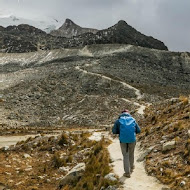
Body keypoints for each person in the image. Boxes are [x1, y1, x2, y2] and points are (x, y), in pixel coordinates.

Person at [112, 109, 141, 178]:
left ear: (122, 113)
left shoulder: (118, 121)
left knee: (125, 155)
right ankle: (132, 167)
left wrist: (120, 132)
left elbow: (114, 131)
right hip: (132, 139)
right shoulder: (133, 119)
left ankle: (127, 173)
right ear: (128, 113)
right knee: (131, 153)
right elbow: (138, 130)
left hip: (123, 140)